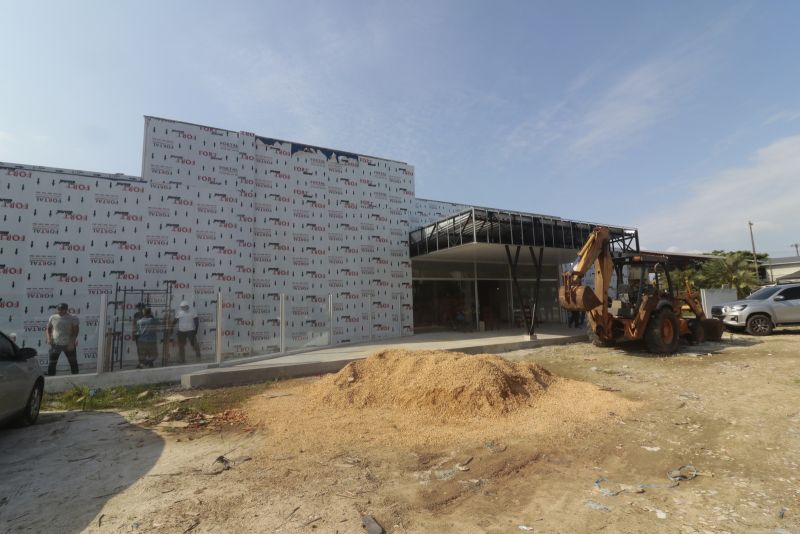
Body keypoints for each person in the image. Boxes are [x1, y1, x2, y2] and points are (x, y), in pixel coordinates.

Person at [46, 303, 80, 375]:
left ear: (66, 310)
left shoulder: (73, 318)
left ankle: (76, 379)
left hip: (68, 344)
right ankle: (51, 380)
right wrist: (49, 338)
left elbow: (76, 331)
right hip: (55, 344)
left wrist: (72, 343)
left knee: (73, 362)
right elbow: (48, 329)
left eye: (62, 310)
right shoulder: (53, 317)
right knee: (52, 363)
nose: (60, 311)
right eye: (58, 310)